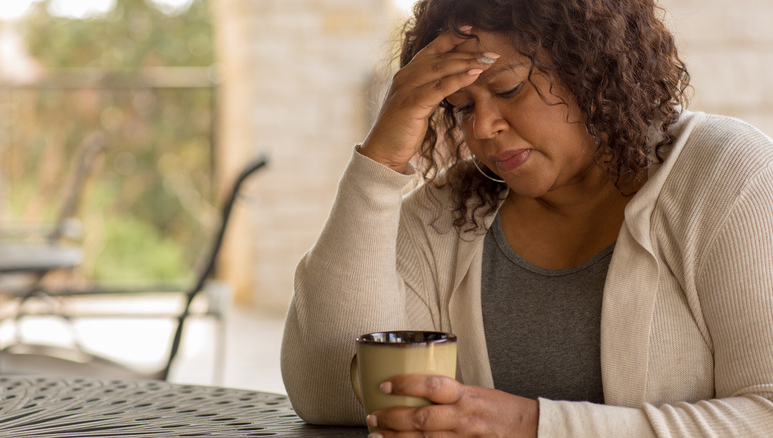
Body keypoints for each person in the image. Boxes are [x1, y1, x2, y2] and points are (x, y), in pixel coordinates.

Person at [280, 0, 773, 435]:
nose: (484, 127)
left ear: (590, 66)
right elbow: (333, 396)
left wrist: (530, 425)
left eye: (509, 88)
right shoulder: (449, 211)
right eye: (461, 106)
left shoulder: (726, 178)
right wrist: (381, 163)